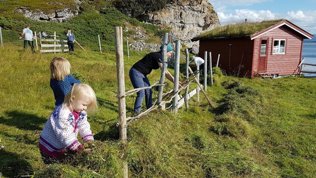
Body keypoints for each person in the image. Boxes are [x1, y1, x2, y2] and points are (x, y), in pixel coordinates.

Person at [39, 83, 98, 164]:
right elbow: (65, 134)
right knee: (54, 166)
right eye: (84, 105)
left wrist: (89, 139)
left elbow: (83, 125)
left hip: (63, 144)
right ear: (73, 99)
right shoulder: (63, 114)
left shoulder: (80, 112)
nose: (85, 108)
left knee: (65, 162)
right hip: (50, 147)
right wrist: (78, 148)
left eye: (87, 105)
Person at [129, 43, 176, 115]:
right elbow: (165, 72)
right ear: (166, 51)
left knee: (148, 91)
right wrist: (175, 81)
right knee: (141, 92)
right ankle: (136, 112)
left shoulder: (160, 57)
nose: (171, 55)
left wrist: (175, 80)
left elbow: (165, 70)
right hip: (136, 72)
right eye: (170, 53)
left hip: (142, 74)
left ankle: (149, 108)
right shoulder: (158, 56)